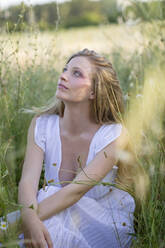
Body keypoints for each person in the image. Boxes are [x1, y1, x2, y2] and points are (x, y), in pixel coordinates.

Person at [18, 48, 140, 248]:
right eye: (65, 70)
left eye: (76, 73)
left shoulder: (114, 136)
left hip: (102, 221)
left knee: (46, 198)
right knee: (46, 215)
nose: (63, 76)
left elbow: (73, 193)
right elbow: (27, 182)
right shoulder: (41, 124)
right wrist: (30, 221)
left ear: (94, 91)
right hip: (51, 213)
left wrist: (21, 223)